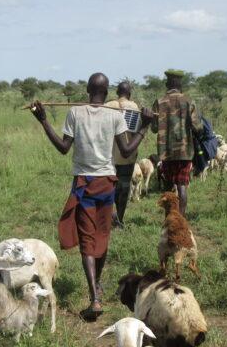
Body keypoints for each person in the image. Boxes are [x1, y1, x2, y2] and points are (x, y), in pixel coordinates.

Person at [30, 73, 152, 320]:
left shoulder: (75, 113)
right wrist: (145, 126)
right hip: (107, 183)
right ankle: (95, 286)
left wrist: (43, 121)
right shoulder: (115, 116)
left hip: (84, 184)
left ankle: (94, 298)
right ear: (107, 93)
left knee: (87, 240)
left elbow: (64, 148)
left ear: (87, 90)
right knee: (102, 236)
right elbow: (128, 150)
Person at [151, 69, 203, 215]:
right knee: (182, 186)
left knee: (168, 185)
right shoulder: (188, 101)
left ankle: (169, 218)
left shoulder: (159, 102)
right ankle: (181, 218)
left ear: (168, 83)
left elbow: (154, 128)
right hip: (184, 151)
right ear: (180, 84)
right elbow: (198, 128)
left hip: (166, 151)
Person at [105, 81, 139, 229]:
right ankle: (119, 219)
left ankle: (107, 218)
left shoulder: (107, 106)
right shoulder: (134, 107)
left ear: (117, 93)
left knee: (109, 188)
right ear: (129, 94)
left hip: (109, 156)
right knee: (124, 188)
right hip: (127, 156)